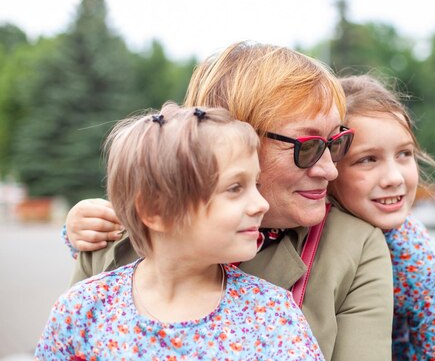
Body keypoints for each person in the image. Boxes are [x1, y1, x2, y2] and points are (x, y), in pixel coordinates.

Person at [62, 42, 394, 361]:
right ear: (233, 138)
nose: (330, 169)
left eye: (336, 142)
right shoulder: (111, 241)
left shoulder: (353, 247)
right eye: (307, 147)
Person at [36, 103, 324, 360]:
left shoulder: (271, 315)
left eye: (255, 185)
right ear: (155, 211)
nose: (260, 204)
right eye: (235, 188)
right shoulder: (82, 310)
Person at [328, 75, 435, 360]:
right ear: (327, 164)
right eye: (368, 159)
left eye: (404, 154)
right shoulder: (298, 230)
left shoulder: (415, 259)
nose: (394, 177)